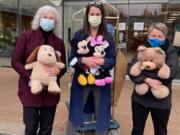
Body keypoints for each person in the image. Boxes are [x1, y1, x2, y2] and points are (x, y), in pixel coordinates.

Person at [11, 5, 66, 135]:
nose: (48, 20)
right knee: (30, 128)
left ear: (55, 22)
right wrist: (30, 76)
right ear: (38, 19)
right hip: (30, 90)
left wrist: (59, 72)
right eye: (45, 17)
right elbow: (15, 60)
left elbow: (63, 65)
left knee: (46, 129)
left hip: (51, 93)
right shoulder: (26, 36)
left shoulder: (58, 42)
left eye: (51, 18)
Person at [66, 1, 115, 135]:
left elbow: (112, 60)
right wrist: (84, 60)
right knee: (75, 112)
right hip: (82, 80)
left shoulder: (108, 37)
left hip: (101, 81)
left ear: (102, 16)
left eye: (97, 14)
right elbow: (71, 60)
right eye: (92, 13)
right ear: (87, 16)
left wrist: (102, 61)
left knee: (102, 113)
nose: (94, 16)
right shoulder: (79, 35)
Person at [128, 22, 178, 135]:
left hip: (161, 101)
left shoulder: (170, 51)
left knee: (160, 131)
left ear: (165, 37)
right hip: (140, 99)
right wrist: (147, 80)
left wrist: (144, 72)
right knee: (137, 130)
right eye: (153, 36)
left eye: (160, 36)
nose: (156, 38)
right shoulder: (142, 49)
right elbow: (131, 70)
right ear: (148, 36)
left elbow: (171, 73)